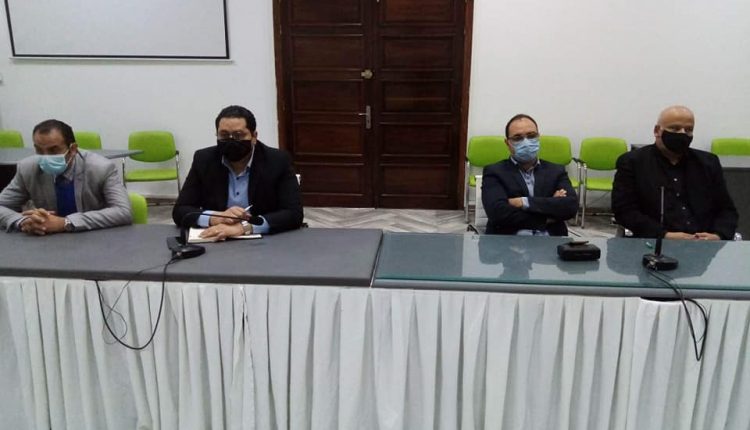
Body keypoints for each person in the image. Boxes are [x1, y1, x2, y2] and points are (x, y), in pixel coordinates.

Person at [173, 105, 303, 239]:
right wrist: (215, 218)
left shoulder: (277, 161)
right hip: (216, 237)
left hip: (266, 240)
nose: (231, 140)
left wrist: (243, 228)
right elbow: (180, 210)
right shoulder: (204, 159)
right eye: (224, 135)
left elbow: (293, 214)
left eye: (238, 135)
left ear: (254, 136)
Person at [612, 105, 738, 240]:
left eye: (688, 130)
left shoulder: (708, 163)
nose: (682, 134)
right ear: (657, 131)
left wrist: (718, 235)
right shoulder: (633, 162)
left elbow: (727, 210)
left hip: (703, 244)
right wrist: (664, 235)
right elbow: (624, 211)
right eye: (675, 128)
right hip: (654, 242)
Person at [0, 119, 132, 234]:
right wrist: (23, 221)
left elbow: (123, 212)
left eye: (53, 150)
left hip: (93, 237)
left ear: (73, 149)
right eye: (39, 150)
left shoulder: (101, 168)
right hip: (47, 242)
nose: (45, 156)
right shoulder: (28, 168)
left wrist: (65, 223)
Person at [481, 114, 578, 235]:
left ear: (538, 137)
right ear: (507, 143)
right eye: (517, 138)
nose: (526, 142)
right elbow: (497, 213)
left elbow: (570, 206)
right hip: (509, 241)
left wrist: (522, 202)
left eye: (531, 136)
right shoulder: (494, 171)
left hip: (551, 240)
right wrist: (548, 211)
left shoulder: (556, 170)